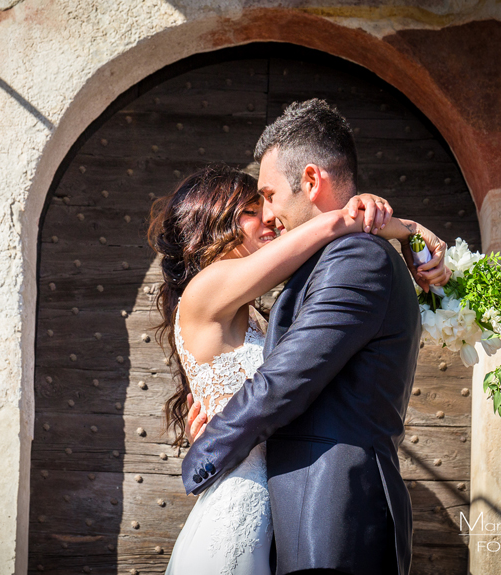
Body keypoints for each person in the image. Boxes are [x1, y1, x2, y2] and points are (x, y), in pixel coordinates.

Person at [148, 127, 449, 573]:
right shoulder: (206, 287)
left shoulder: (250, 313)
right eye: (251, 210)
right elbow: (329, 223)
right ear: (214, 224)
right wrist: (406, 229)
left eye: (267, 200)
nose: (268, 217)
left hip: (280, 504)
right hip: (244, 506)